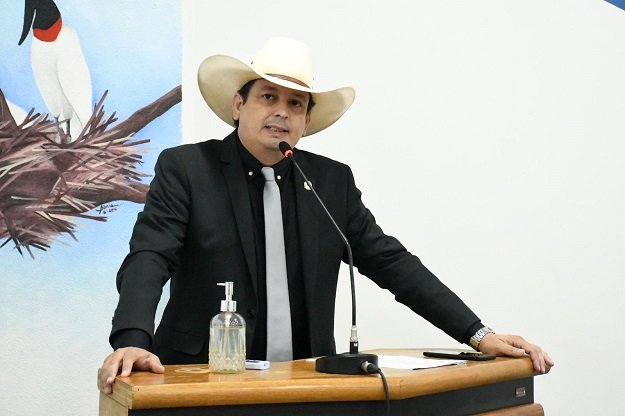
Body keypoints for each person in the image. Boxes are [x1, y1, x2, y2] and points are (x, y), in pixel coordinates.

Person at [98, 37, 553, 394]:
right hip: (201, 379)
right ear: (239, 106)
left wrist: (477, 333)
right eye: (268, 97)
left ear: (306, 121)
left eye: (296, 103)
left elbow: (390, 261)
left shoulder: (331, 182)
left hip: (308, 384)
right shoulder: (187, 169)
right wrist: (132, 339)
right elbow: (150, 256)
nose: (281, 112)